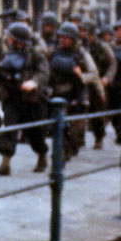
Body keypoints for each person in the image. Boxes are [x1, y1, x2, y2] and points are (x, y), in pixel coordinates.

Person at [0, 22, 49, 175]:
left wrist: (34, 82)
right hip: (13, 97)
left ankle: (42, 157)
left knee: (35, 132)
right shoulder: (7, 53)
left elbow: (44, 72)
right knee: (9, 128)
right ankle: (5, 164)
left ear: (18, 40)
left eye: (10, 37)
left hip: (32, 99)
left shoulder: (35, 54)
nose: (7, 39)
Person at [47, 23, 98, 161]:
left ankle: (68, 148)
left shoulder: (81, 53)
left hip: (76, 94)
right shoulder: (52, 52)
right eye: (61, 37)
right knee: (58, 126)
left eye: (66, 38)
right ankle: (60, 152)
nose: (62, 40)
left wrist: (81, 76)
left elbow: (93, 73)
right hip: (58, 94)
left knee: (74, 131)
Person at [81, 19, 115, 149]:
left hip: (98, 82)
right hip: (83, 81)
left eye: (84, 31)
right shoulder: (80, 46)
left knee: (98, 109)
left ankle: (99, 137)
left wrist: (107, 78)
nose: (82, 33)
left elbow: (113, 63)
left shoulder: (102, 46)